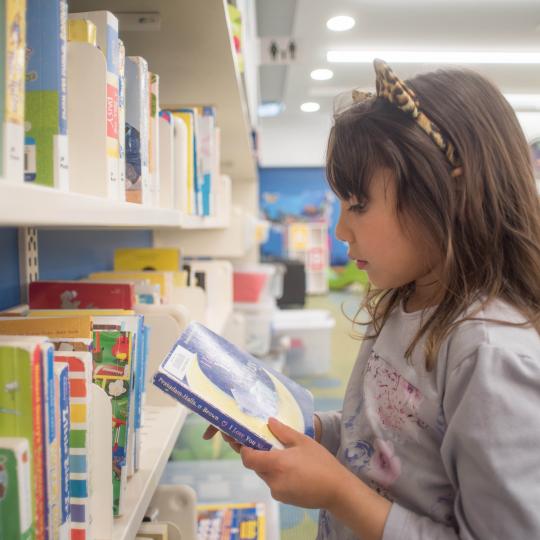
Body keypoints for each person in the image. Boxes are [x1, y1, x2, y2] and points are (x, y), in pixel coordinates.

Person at [204, 59, 540, 539]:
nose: (341, 230)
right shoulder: (406, 302)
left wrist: (339, 492)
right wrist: (310, 430)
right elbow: (390, 439)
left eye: (358, 205)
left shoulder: (489, 353)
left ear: (448, 191)